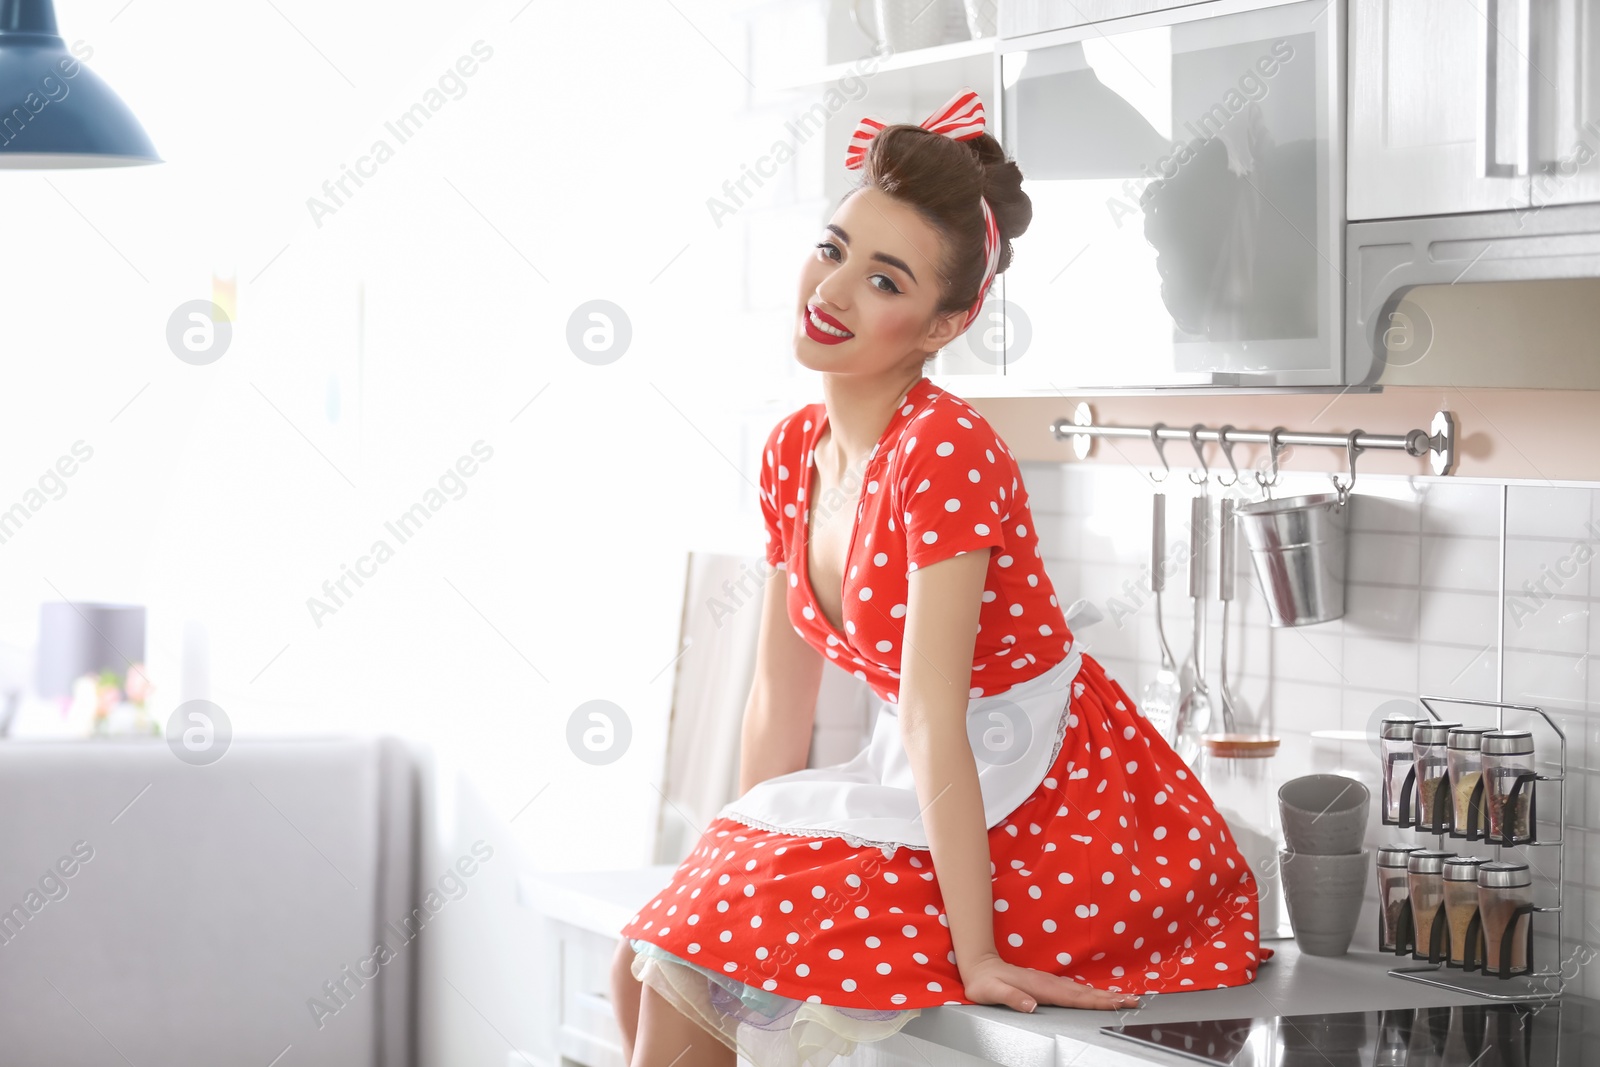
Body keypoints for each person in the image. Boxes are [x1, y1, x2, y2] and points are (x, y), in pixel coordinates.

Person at [610, 87, 1263, 1067]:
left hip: (1045, 800)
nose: (829, 293)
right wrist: (731, 856)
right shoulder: (794, 450)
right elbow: (774, 703)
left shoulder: (945, 450)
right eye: (831, 250)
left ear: (940, 326)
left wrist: (980, 949)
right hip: (922, 782)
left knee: (685, 972)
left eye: (883, 281)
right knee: (649, 957)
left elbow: (931, 713)